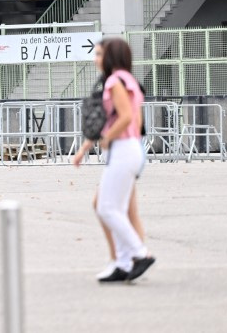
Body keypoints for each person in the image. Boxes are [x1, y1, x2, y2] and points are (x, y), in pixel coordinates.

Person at [73, 38, 154, 283]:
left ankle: (138, 254)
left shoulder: (114, 81)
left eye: (99, 55)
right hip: (129, 149)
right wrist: (87, 146)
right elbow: (127, 119)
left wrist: (108, 138)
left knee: (107, 208)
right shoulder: (128, 79)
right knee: (115, 208)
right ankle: (122, 261)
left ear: (111, 57)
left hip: (123, 150)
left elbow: (127, 118)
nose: (95, 59)